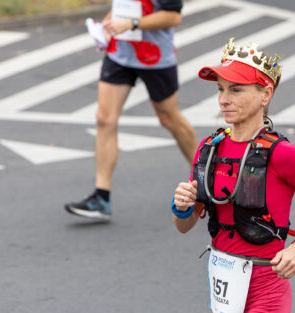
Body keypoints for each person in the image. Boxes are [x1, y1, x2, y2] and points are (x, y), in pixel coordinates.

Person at [171, 38, 295, 313]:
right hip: (223, 288)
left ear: (265, 94)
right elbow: (183, 226)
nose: (223, 99)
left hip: (267, 291)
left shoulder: (285, 154)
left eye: (236, 90)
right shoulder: (209, 149)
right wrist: (181, 207)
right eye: (221, 89)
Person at [65, 0, 197, 221]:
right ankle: (101, 198)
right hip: (119, 53)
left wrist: (131, 23)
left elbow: (173, 17)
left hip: (155, 57)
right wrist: (107, 24)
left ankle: (207, 180)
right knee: (104, 119)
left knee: (169, 118)